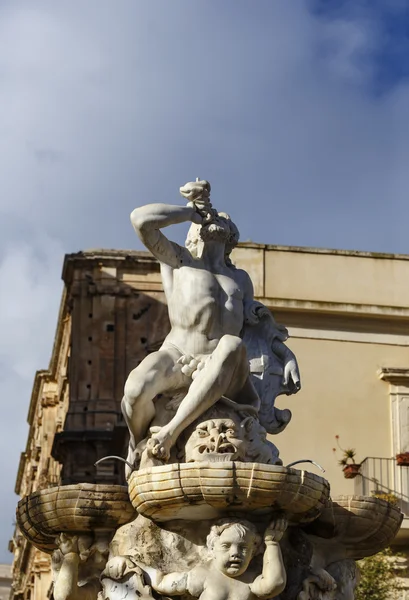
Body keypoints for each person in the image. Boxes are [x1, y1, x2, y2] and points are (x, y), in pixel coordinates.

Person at [135, 517, 287, 600]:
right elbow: (162, 583)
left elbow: (275, 584)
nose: (235, 553)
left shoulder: (252, 579)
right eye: (226, 546)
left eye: (243, 548)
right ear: (212, 548)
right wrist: (135, 565)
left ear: (253, 553)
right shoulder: (204, 575)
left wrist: (272, 543)